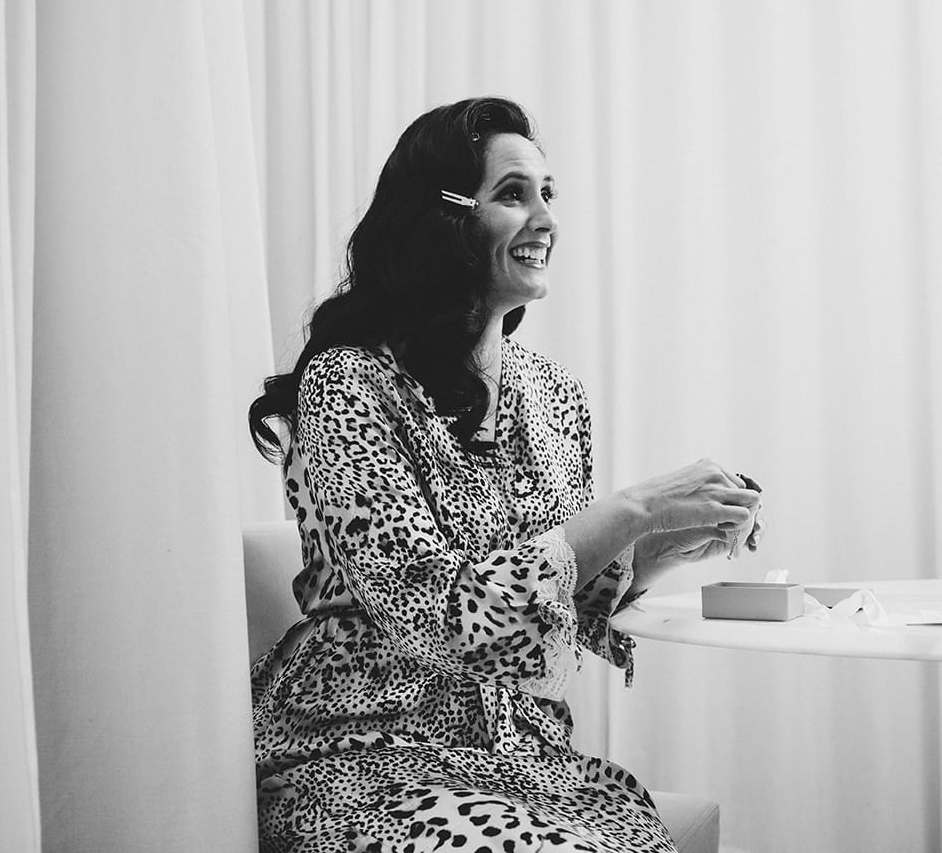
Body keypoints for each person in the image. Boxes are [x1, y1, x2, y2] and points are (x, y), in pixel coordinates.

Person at [247, 97, 764, 852]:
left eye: (548, 194)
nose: (546, 219)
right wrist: (636, 507)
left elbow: (561, 598)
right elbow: (436, 613)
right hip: (368, 754)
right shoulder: (348, 383)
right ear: (442, 220)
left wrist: (666, 546)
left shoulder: (555, 395)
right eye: (513, 194)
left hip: (522, 755)